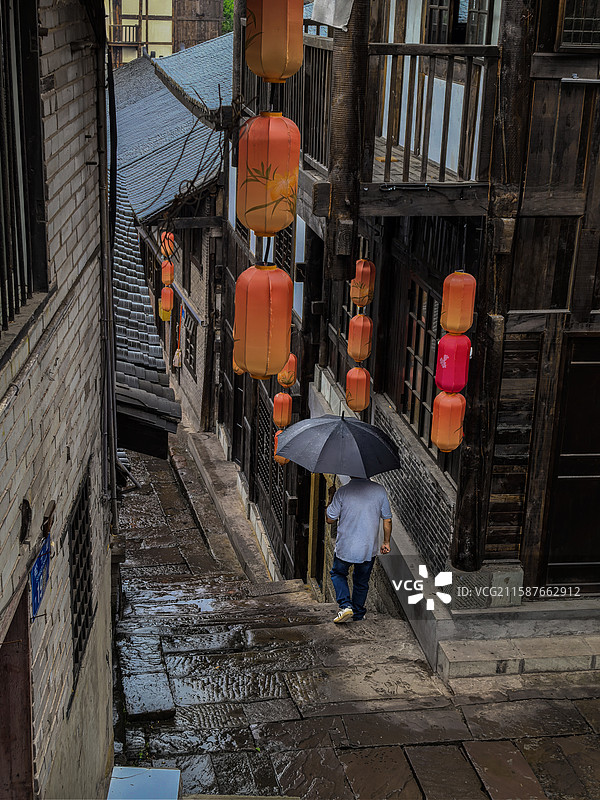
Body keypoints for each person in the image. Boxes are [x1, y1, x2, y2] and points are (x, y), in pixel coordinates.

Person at [326, 476, 393, 623]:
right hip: (368, 548)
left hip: (345, 546)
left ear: (350, 474)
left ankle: (345, 605)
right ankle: (358, 614)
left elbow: (330, 519)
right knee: (361, 582)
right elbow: (387, 519)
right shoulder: (380, 491)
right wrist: (386, 542)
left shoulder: (342, 492)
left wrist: (331, 497)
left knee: (337, 573)